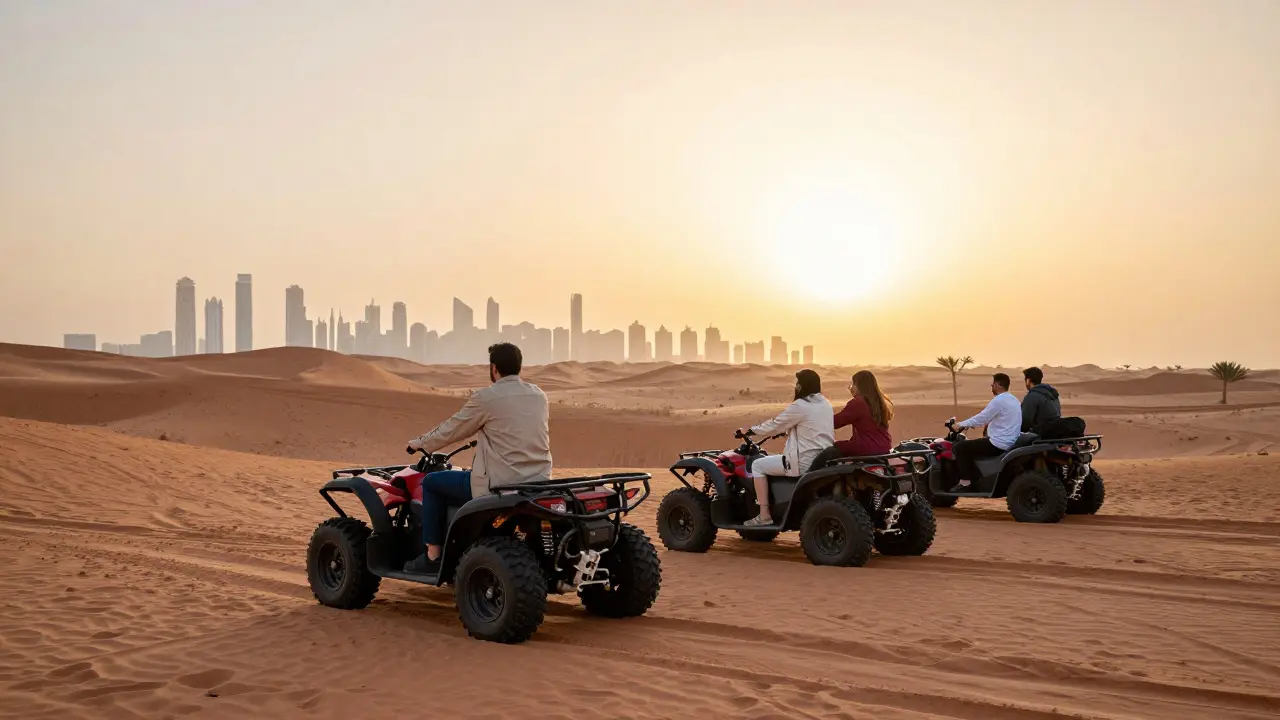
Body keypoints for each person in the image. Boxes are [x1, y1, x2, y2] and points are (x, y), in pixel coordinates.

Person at [402, 343, 552, 574]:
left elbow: (453, 429)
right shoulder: (538, 395)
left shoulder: (487, 398)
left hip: (498, 484)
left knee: (431, 483)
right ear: (519, 367)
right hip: (538, 482)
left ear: (494, 368)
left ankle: (432, 555)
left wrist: (420, 443)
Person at [738, 369, 834, 526]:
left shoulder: (801, 405)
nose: (796, 386)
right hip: (821, 459)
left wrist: (750, 431)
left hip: (802, 461)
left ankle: (764, 515)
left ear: (802, 386)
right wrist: (787, 432)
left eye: (798, 383)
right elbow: (809, 428)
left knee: (757, 465)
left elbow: (776, 424)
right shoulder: (826, 404)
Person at [949, 373, 1022, 492]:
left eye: (992, 384)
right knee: (973, 446)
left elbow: (982, 417)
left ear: (998, 385)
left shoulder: (999, 400)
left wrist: (960, 425)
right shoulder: (1014, 400)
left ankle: (966, 483)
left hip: (998, 443)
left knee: (960, 447)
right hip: (1010, 441)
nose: (992, 387)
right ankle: (977, 477)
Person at [833, 370, 894, 457]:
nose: (850, 388)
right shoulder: (880, 402)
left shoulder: (858, 403)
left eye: (853, 384)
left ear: (860, 386)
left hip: (865, 448)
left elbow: (835, 422)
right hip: (884, 447)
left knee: (829, 451)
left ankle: (809, 471)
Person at [1021, 366, 1061, 433]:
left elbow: (1025, 421)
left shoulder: (1033, 396)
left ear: (1028, 380)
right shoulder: (1052, 394)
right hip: (1054, 433)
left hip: (1040, 435)